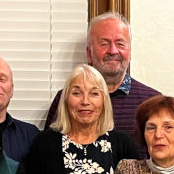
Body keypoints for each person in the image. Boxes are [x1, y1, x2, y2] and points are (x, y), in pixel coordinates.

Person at [45, 12, 160, 153]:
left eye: (120, 44)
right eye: (104, 44)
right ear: (89, 53)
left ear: (129, 52)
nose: (112, 51)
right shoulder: (67, 99)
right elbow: (48, 152)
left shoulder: (153, 101)